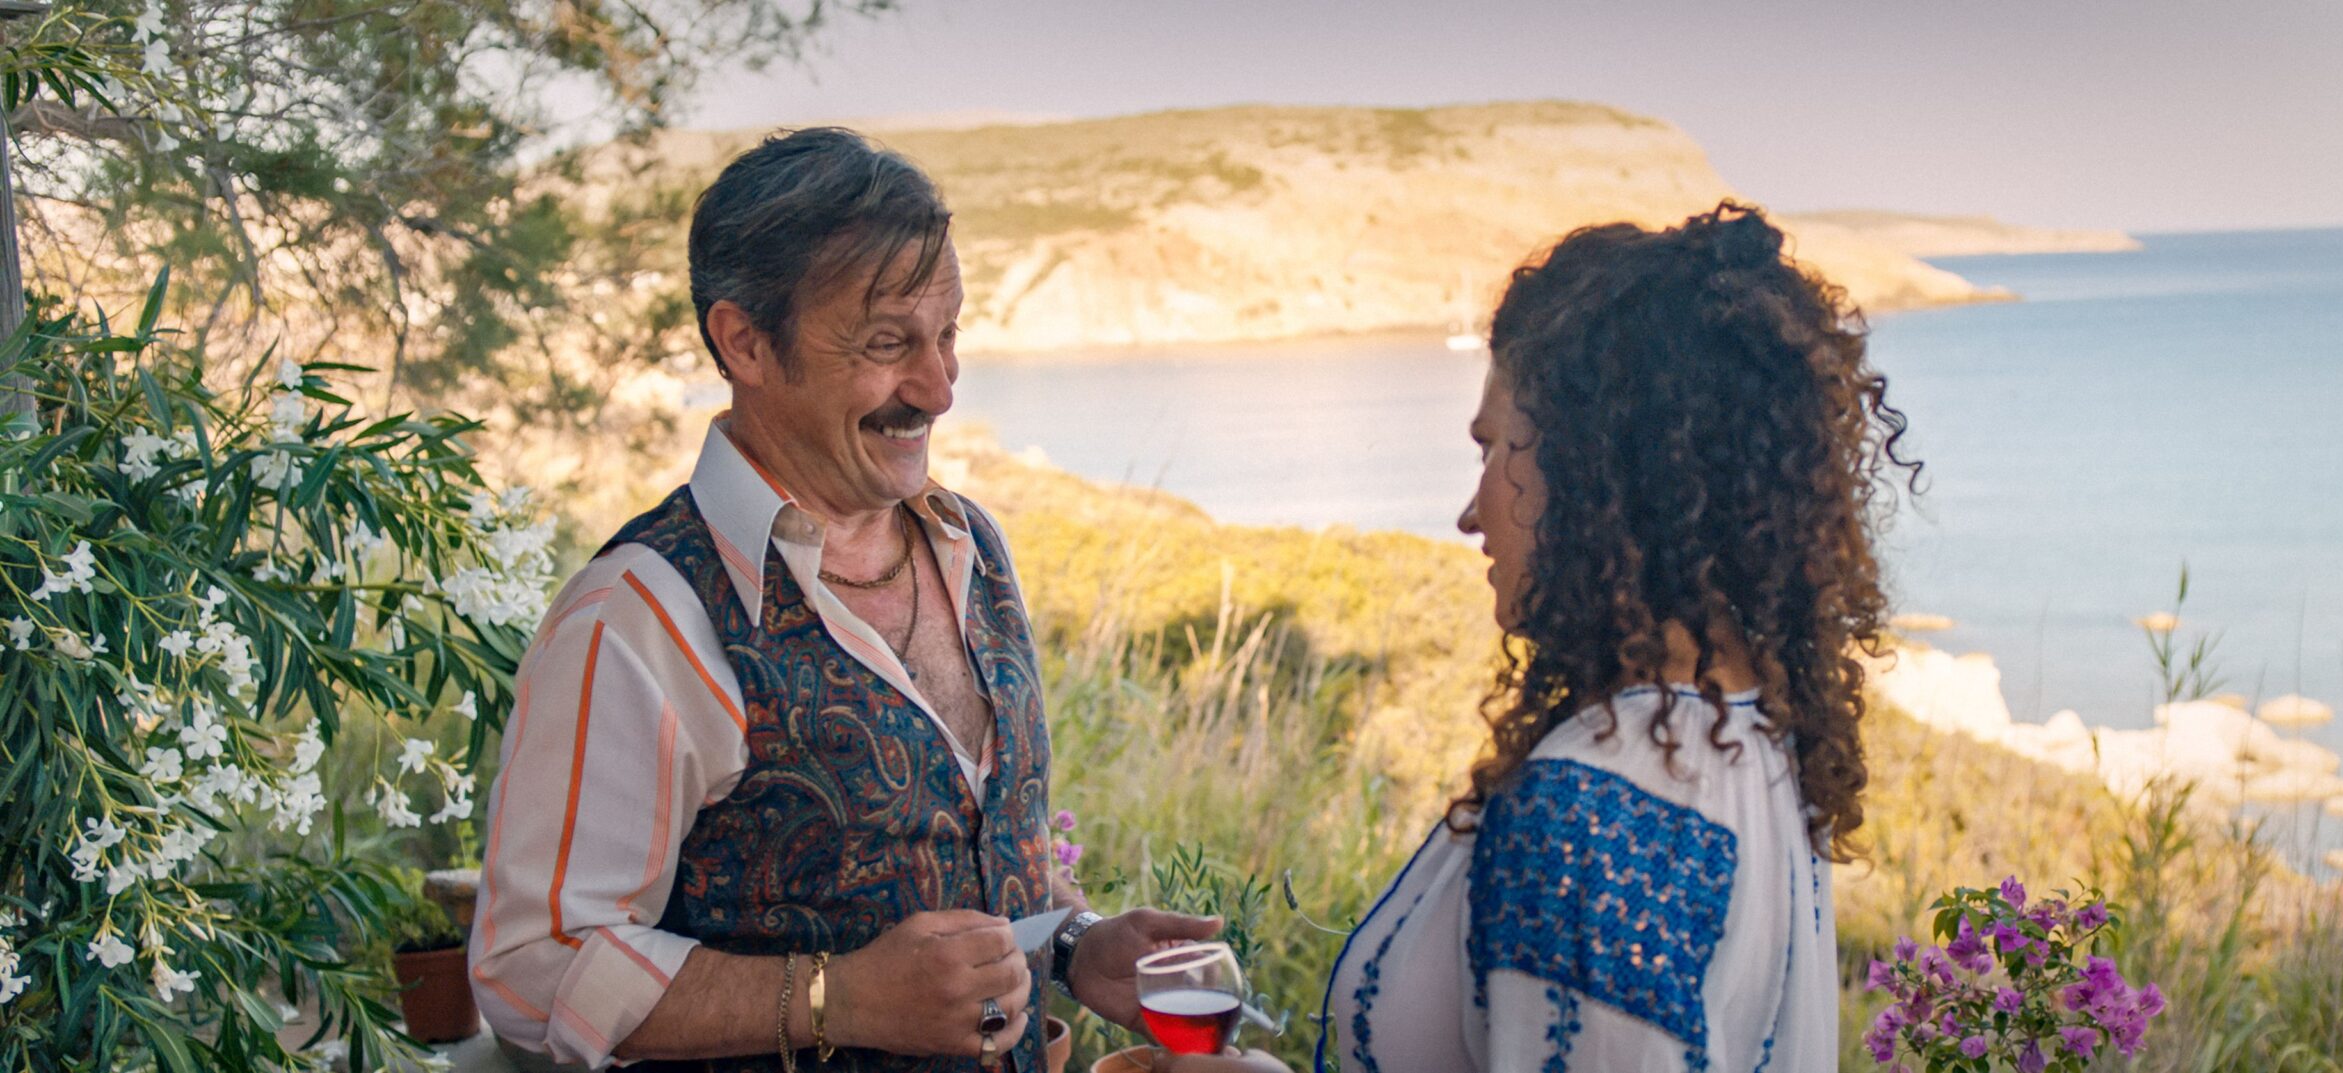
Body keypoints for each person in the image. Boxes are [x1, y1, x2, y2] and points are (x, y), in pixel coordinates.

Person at [468, 128, 1218, 1073]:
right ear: (745, 342)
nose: (938, 389)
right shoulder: (636, 618)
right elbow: (531, 967)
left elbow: (961, 856)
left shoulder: (971, 545)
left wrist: (1073, 942)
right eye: (887, 344)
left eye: (948, 336)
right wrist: (841, 998)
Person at [1169, 202, 1916, 1073]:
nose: (1470, 511)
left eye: (1495, 449)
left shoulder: (1593, 814)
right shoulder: (1755, 738)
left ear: (1598, 467)